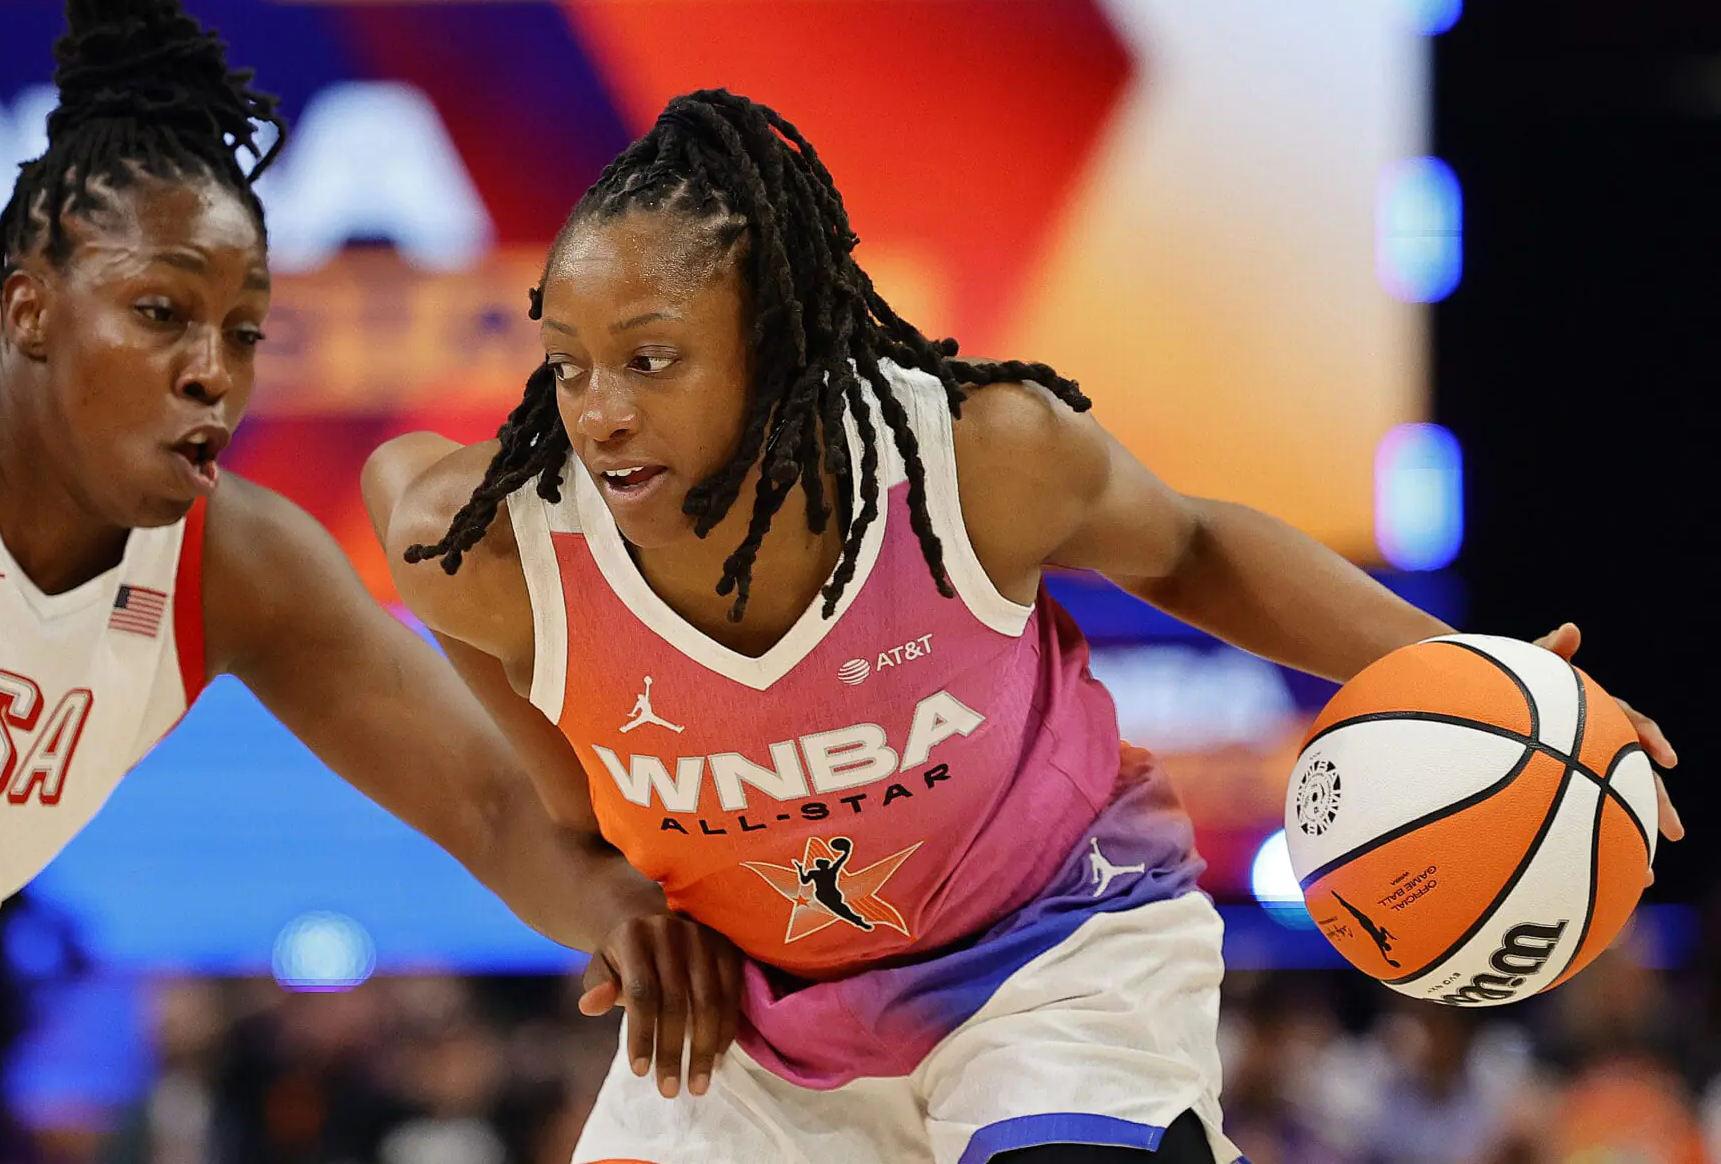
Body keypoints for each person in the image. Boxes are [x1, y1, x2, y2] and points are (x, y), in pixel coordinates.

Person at [366, 89, 1683, 1164]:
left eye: (650, 358)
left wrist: (1471, 676)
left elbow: (1194, 545)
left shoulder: (974, 459)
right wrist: (613, 909)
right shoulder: (489, 551)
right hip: (756, 1030)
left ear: (775, 344)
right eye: (569, 359)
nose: (597, 412)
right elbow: (564, 820)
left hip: (1052, 954)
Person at [0, 0, 738, 1164]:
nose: (213, 371)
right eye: (158, 312)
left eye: (242, 332)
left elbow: (494, 799)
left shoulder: (234, 561)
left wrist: (640, 927)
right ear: (29, 307)